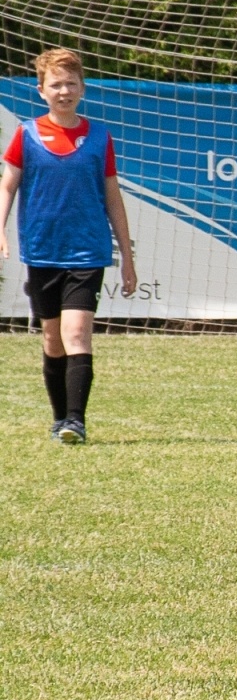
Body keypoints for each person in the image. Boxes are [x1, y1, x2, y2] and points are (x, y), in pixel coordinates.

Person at [0, 48, 136, 444]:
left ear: (83, 88)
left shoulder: (98, 137)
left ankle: (76, 421)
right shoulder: (25, 135)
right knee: (52, 338)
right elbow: (7, 185)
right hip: (42, 251)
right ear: (41, 90)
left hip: (88, 253)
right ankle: (60, 419)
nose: (64, 90)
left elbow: (112, 197)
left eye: (71, 83)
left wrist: (126, 256)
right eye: (56, 84)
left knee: (78, 334)